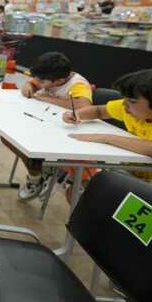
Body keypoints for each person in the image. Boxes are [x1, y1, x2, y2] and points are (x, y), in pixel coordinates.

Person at [11, 52, 93, 200]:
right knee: (10, 138)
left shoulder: (78, 85)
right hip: (43, 124)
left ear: (59, 80)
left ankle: (43, 172)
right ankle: (40, 174)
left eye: (42, 81)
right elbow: (32, 84)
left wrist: (45, 98)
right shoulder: (47, 75)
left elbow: (83, 106)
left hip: (65, 133)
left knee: (26, 145)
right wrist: (29, 85)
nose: (38, 82)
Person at [63, 68, 152, 184]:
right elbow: (99, 111)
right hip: (133, 173)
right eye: (124, 98)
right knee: (81, 182)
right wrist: (77, 114)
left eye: (132, 101)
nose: (124, 104)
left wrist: (108, 138)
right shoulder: (127, 108)